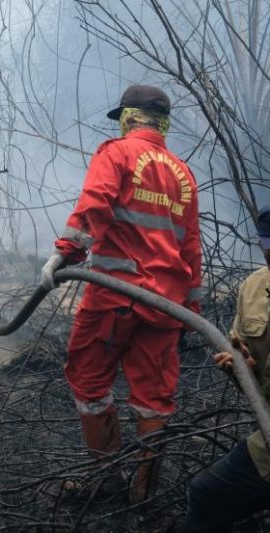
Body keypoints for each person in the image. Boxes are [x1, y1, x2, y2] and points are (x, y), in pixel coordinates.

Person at [40, 85, 203, 502]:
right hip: (167, 306)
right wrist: (192, 309)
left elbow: (96, 202)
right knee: (154, 399)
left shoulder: (117, 153)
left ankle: (106, 477)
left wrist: (66, 254)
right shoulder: (184, 173)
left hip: (117, 298)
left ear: (130, 117)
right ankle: (144, 491)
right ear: (162, 123)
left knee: (89, 381)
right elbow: (191, 248)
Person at [184, 206, 270, 532]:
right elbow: (253, 378)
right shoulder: (253, 290)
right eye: (266, 244)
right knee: (206, 494)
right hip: (268, 446)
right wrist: (240, 368)